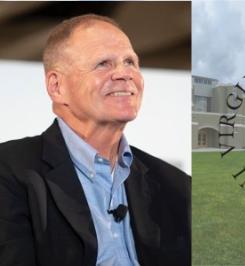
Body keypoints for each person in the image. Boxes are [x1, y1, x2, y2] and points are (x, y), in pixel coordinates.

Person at [0, 14, 190, 266]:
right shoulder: (9, 171)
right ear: (57, 87)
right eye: (103, 64)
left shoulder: (177, 187)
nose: (124, 74)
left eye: (130, 62)